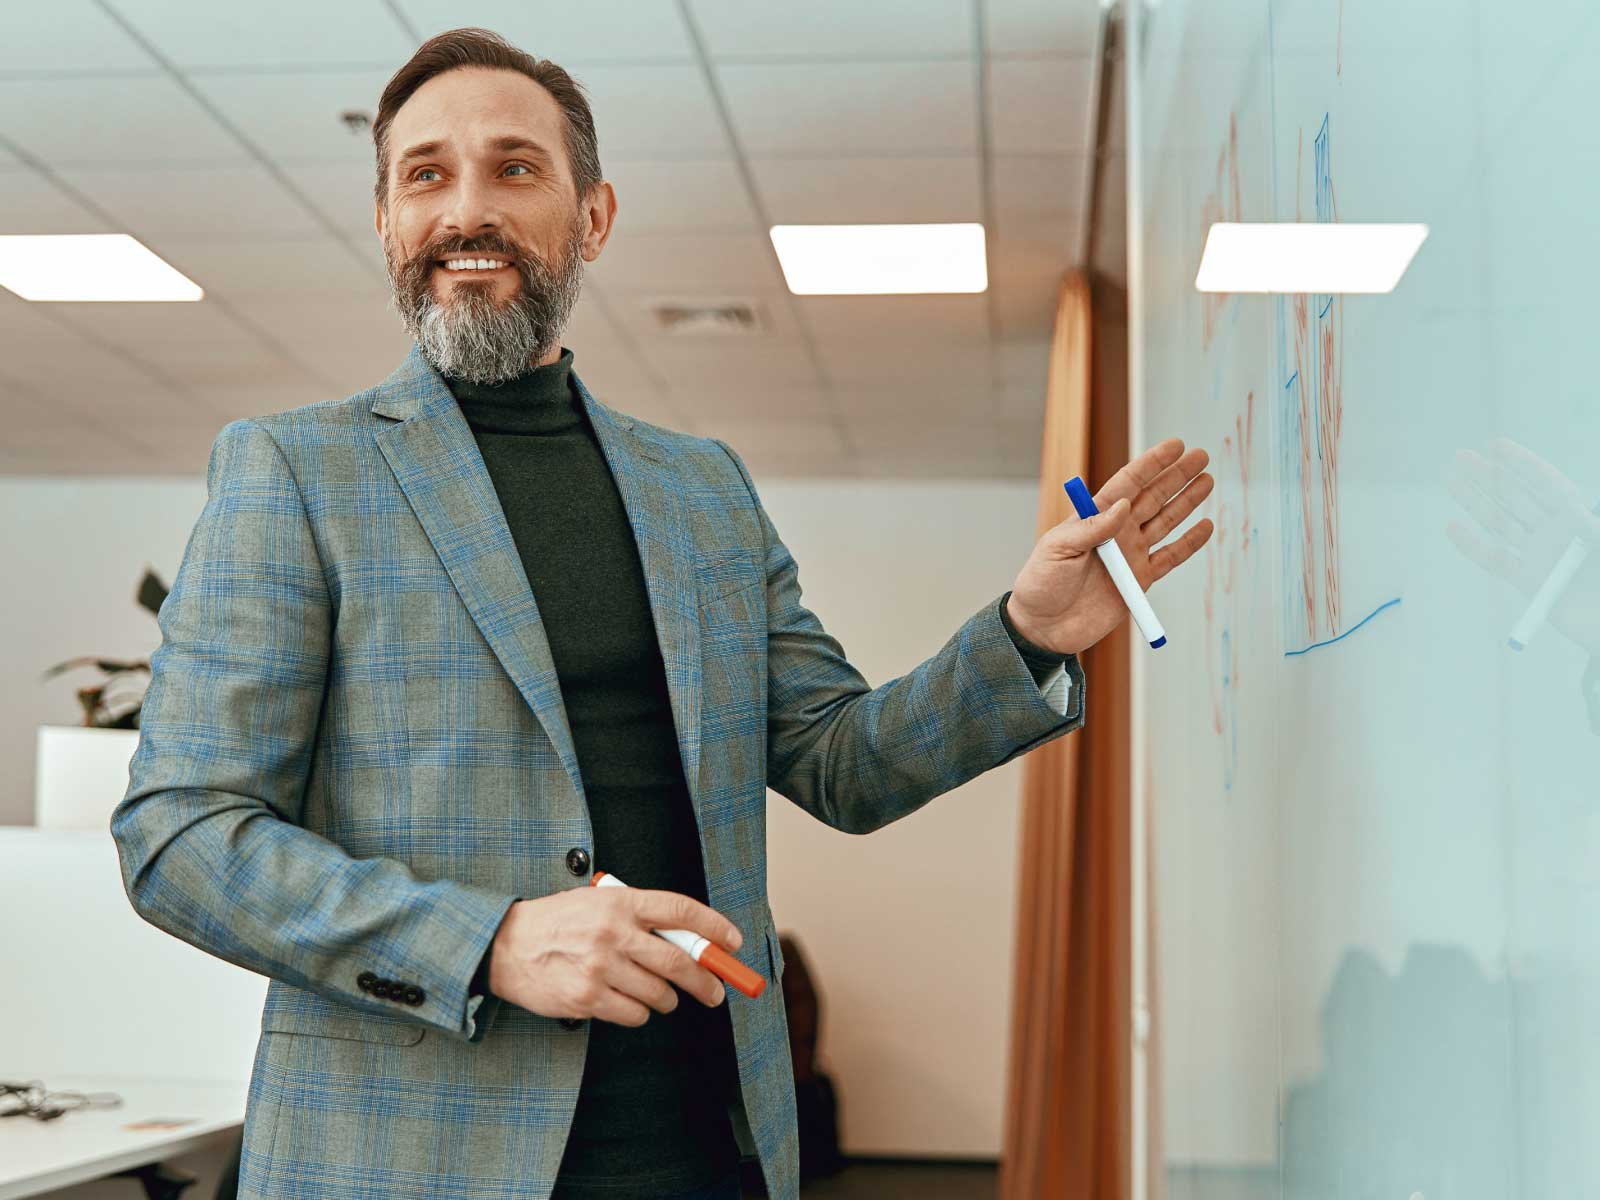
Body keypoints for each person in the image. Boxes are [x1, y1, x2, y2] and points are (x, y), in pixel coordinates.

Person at [109, 26, 1213, 1200]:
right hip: (412, 1156)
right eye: (425, 174)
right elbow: (180, 834)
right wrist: (487, 941)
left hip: (703, 1150)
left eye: (515, 168)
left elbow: (844, 762)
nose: (465, 210)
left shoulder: (701, 491)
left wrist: (1026, 634)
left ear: (593, 217)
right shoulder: (295, 471)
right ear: (385, 221)